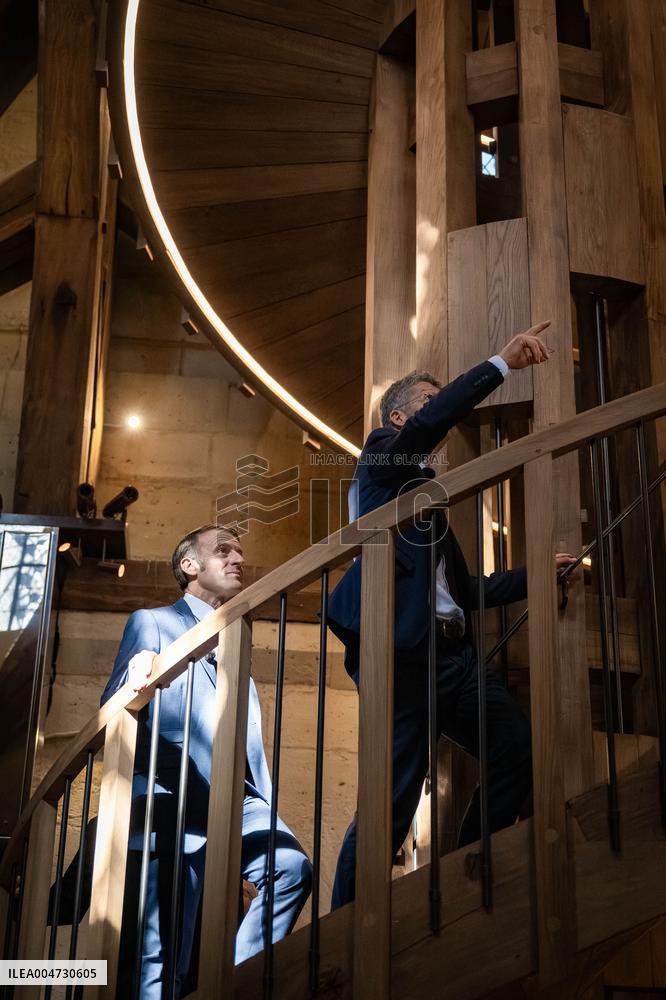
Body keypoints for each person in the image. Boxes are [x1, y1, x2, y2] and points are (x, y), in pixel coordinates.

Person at [326, 323, 578, 908]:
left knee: (518, 747)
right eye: (427, 404)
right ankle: (338, 934)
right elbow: (429, 424)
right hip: (403, 660)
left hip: (456, 660)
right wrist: (500, 364)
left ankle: (469, 871)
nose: (438, 420)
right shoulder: (380, 463)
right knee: (392, 800)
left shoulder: (428, 501)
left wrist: (538, 574)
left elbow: (464, 591)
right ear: (398, 420)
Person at [101, 525, 312, 997]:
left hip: (238, 800)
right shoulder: (151, 622)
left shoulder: (235, 643)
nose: (238, 557)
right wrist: (136, 674)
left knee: (291, 867)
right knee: (162, 957)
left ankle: (234, 987)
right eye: (224, 550)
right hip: (171, 795)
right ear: (189, 566)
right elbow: (112, 705)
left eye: (240, 550)